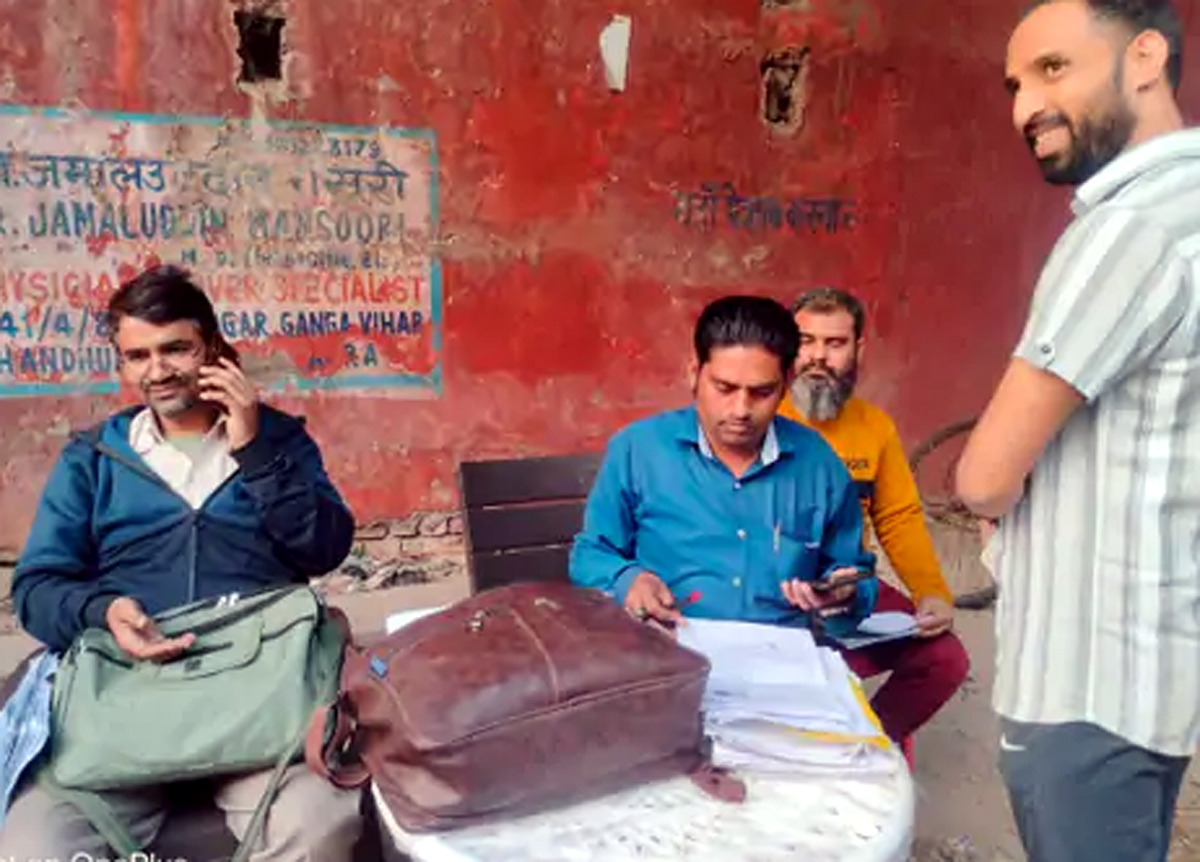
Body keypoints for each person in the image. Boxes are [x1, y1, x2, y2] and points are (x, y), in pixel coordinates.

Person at [0, 265, 362, 858]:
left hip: (259, 693)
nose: (158, 370)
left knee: (319, 823)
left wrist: (254, 451)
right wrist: (103, 611)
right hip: (122, 694)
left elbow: (324, 548)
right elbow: (38, 587)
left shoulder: (278, 439)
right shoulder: (94, 459)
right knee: (33, 845)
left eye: (175, 349)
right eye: (137, 356)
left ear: (213, 347)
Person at [955, 2, 1199, 860]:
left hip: (1084, 680)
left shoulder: (1130, 227)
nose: (1027, 106)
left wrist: (1001, 488)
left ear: (1146, 57)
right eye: (1015, 86)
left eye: (1053, 69)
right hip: (1154, 669)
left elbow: (984, 476)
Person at [569, 294, 878, 643]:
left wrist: (844, 595)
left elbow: (856, 576)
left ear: (786, 384)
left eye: (761, 392)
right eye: (725, 388)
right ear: (694, 374)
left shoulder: (818, 464)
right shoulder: (638, 450)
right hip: (670, 649)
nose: (741, 410)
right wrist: (629, 580)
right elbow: (591, 554)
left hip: (781, 656)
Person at [778, 286, 969, 760]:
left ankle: (867, 746)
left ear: (858, 350)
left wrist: (931, 592)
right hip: (775, 592)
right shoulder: (758, 417)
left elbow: (898, 516)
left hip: (850, 587)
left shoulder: (875, 428)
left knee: (944, 658)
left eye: (835, 343)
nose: (818, 357)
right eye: (805, 341)